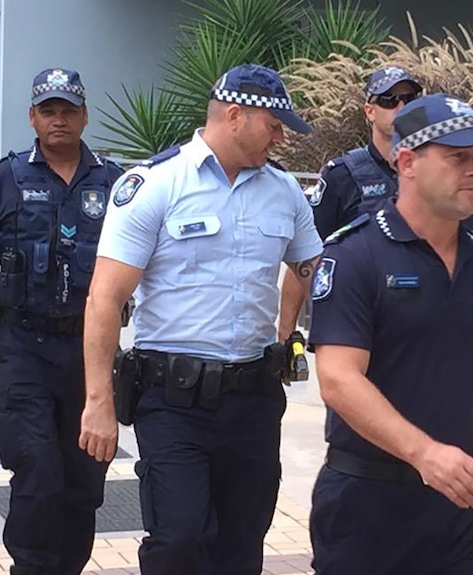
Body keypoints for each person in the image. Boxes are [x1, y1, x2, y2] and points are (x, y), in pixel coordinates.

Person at [77, 63, 322, 575]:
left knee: (242, 543)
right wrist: (98, 401)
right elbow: (104, 297)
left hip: (254, 399)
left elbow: (309, 267)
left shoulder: (285, 192)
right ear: (235, 116)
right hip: (173, 400)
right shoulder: (154, 185)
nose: (279, 139)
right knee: (179, 537)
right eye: (273, 126)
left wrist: (287, 335)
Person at [307, 93, 473, 574]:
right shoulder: (355, 257)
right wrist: (425, 454)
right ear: (407, 162)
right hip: (368, 509)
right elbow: (338, 379)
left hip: (468, 508)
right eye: (457, 157)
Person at [0, 68, 123, 575]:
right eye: (48, 111)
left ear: (84, 116)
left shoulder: (113, 183)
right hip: (25, 347)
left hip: (90, 353)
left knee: (84, 482)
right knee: (37, 470)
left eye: (68, 110)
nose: (58, 120)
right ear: (32, 118)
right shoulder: (6, 178)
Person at [277, 66, 422, 340]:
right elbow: (303, 257)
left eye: (410, 99)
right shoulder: (343, 175)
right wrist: (286, 336)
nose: (401, 106)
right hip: (357, 331)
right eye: (389, 100)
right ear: (369, 111)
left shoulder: (433, 169)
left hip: (420, 331)